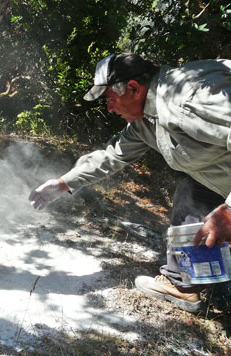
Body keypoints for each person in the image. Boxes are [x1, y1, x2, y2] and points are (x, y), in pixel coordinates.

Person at [28, 53, 231, 313]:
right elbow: (111, 155)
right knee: (190, 192)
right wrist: (64, 183)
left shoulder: (188, 99)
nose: (110, 109)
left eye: (111, 99)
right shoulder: (145, 119)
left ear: (134, 89)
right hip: (216, 177)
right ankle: (181, 285)